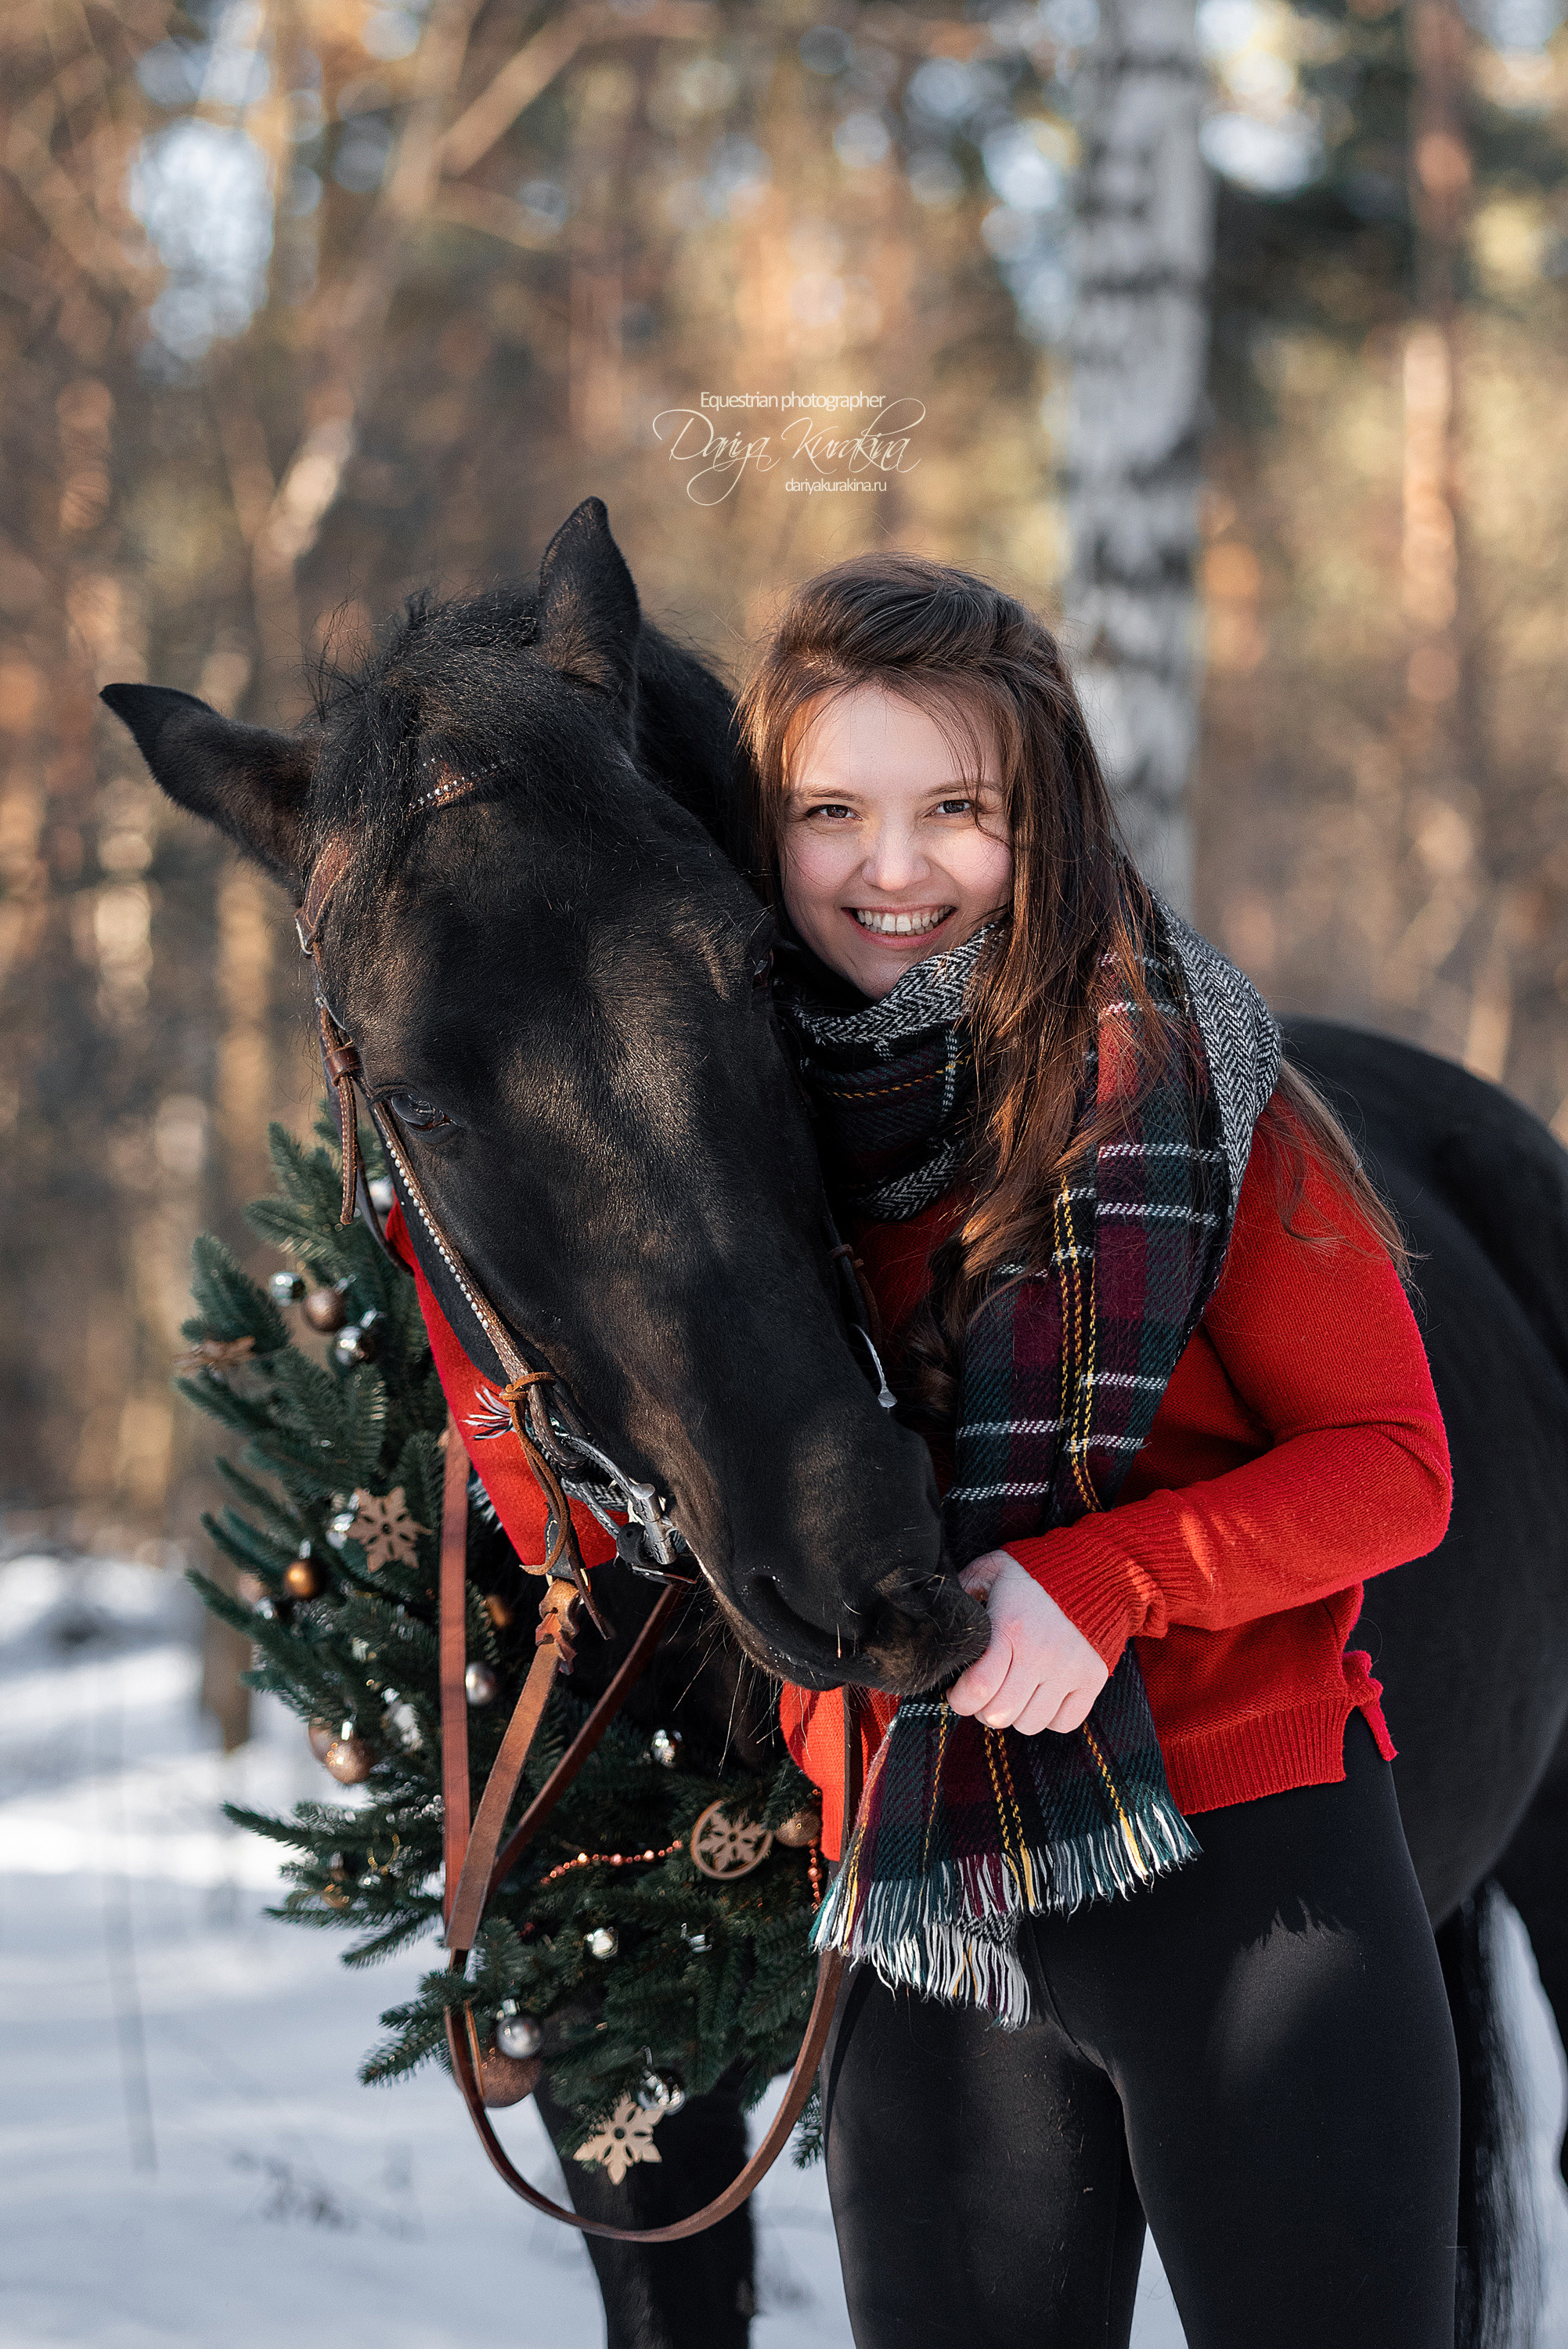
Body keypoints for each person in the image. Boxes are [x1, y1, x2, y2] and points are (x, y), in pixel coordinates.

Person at [733, 554, 1460, 2349]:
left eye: (953, 810)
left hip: (1253, 1876)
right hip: (923, 1899)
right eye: (832, 810)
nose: (890, 872)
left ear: (1039, 818)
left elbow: (1394, 1463)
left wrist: (1110, 1579)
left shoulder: (1191, 1088)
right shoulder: (735, 1148)